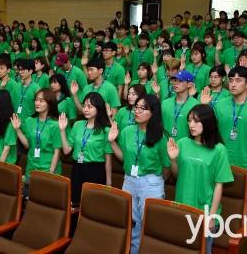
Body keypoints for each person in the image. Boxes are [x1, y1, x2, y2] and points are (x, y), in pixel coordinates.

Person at [167, 104, 234, 254]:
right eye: (189, 120)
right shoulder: (182, 143)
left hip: (205, 212)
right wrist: (173, 160)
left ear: (208, 122)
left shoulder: (219, 150)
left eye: (196, 121)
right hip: (182, 207)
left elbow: (219, 185)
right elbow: (177, 175)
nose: (191, 125)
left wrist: (212, 216)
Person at [108, 94, 170, 254]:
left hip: (151, 183)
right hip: (129, 181)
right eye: (136, 107)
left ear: (153, 112)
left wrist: (157, 182)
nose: (137, 111)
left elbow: (166, 166)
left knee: (150, 226)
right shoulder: (128, 131)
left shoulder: (161, 136)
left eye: (142, 108)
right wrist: (112, 142)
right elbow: (124, 158)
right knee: (132, 224)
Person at [206, 66, 247, 192]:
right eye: (231, 80)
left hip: (246, 164)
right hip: (221, 161)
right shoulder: (220, 105)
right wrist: (204, 106)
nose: (233, 84)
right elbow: (210, 131)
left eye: (238, 80)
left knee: (245, 199)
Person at [59, 92, 112, 205]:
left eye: (90, 107)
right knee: (75, 202)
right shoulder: (77, 125)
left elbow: (108, 159)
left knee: (92, 205)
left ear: (98, 108)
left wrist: (108, 183)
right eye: (84, 106)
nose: (85, 109)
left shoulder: (105, 130)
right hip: (77, 168)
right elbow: (66, 150)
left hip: (96, 171)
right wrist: (62, 130)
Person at [11, 88, 61, 192]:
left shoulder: (55, 125)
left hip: (47, 171)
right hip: (31, 169)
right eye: (36, 100)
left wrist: (51, 173)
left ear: (49, 103)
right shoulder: (30, 121)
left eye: (41, 101)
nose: (37, 103)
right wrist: (17, 130)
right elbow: (27, 145)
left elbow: (57, 152)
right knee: (28, 199)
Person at [162, 69, 199, 140]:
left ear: (189, 84)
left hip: (186, 145)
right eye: (175, 80)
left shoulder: (196, 105)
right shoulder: (165, 103)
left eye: (180, 81)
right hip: (165, 144)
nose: (176, 83)